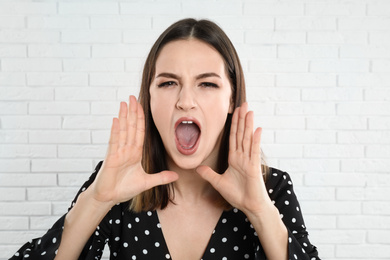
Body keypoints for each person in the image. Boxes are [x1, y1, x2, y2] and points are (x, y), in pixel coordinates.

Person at [10, 18, 320, 260]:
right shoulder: (118, 186)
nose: (186, 100)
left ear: (231, 99)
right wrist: (97, 200)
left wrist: (259, 210)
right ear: (150, 97)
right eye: (168, 82)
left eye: (207, 85)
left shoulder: (272, 189)